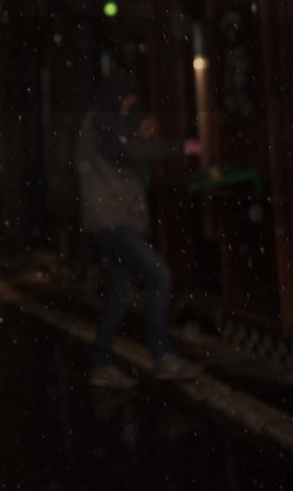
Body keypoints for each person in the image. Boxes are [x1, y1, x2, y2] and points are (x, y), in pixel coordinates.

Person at [74, 71, 202, 388]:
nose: (128, 108)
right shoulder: (103, 121)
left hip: (110, 220)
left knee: (119, 293)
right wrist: (179, 146)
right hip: (111, 221)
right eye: (127, 103)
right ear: (116, 99)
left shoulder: (105, 123)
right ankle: (162, 356)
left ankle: (101, 364)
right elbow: (129, 150)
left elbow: (125, 146)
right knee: (158, 274)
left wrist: (139, 137)